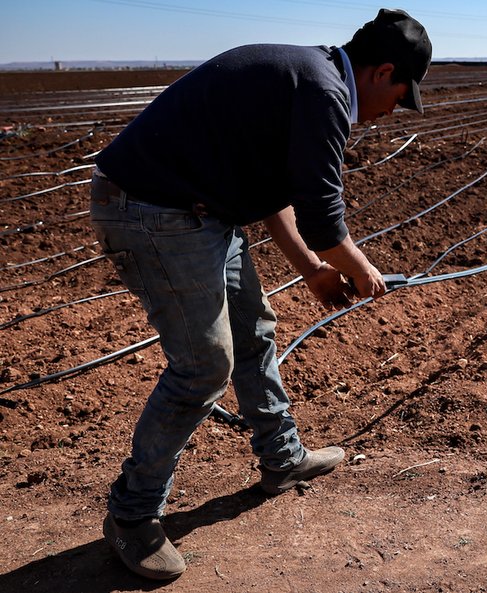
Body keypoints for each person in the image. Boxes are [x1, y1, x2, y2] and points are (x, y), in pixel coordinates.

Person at [89, 8, 431, 580]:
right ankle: (132, 514)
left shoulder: (304, 77)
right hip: (151, 209)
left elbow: (273, 189)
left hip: (198, 212)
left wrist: (312, 269)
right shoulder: (324, 91)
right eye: (400, 96)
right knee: (204, 366)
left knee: (254, 331)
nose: (391, 111)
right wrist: (364, 271)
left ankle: (282, 460)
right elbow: (324, 215)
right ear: (382, 72)